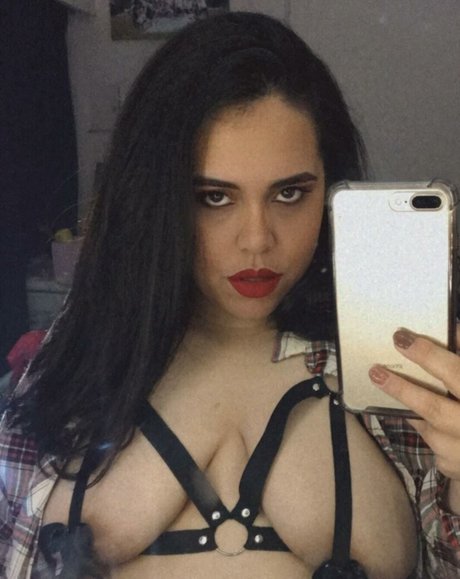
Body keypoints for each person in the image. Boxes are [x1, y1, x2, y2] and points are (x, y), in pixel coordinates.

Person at [0, 11, 459, 579]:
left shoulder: (395, 376)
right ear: (154, 198)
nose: (257, 240)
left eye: (289, 193)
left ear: (330, 188)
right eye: (214, 197)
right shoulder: (77, 361)